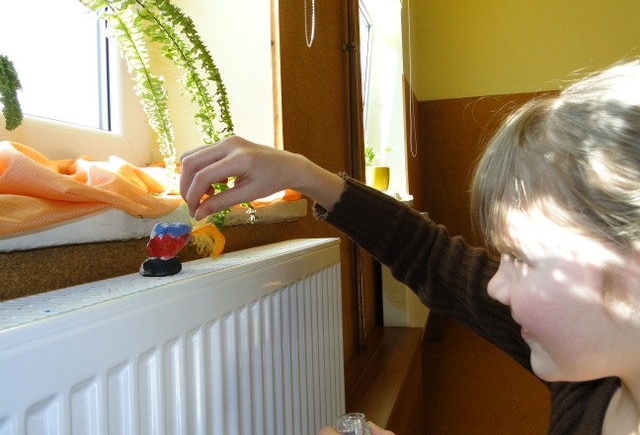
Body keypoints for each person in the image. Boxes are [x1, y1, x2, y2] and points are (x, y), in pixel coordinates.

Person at [179, 59, 640, 435]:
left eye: (521, 258)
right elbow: (431, 257)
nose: (495, 286)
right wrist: (301, 174)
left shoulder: (585, 366)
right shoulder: (591, 375)